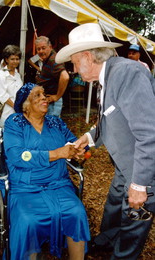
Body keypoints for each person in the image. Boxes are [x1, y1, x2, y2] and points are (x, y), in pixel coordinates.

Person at [55, 23, 155, 259]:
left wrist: (140, 185)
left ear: (87, 57)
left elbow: (149, 133)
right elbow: (110, 117)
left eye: (74, 63)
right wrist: (88, 137)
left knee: (134, 218)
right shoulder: (106, 76)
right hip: (124, 162)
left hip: (142, 167)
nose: (75, 70)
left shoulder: (127, 74)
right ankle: (107, 241)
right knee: (113, 205)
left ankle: (122, 254)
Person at [0, 82, 90, 260]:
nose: (44, 98)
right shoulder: (15, 123)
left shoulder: (56, 122)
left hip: (58, 183)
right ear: (25, 104)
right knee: (29, 221)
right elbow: (18, 156)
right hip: (25, 186)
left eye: (44, 94)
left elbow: (73, 142)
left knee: (76, 213)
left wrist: (79, 151)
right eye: (37, 95)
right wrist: (56, 153)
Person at [0, 45, 23, 156]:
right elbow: (2, 96)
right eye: (12, 59)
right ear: (6, 59)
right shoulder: (1, 75)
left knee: (15, 137)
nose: (15, 61)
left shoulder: (17, 75)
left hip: (17, 112)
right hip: (5, 112)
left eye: (17, 59)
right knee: (2, 138)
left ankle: (10, 161)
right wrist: (16, 106)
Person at [35, 36, 69, 116]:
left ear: (50, 47)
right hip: (47, 101)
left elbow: (65, 77)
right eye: (38, 49)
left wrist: (57, 96)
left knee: (50, 126)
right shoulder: (49, 57)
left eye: (43, 48)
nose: (41, 51)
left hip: (52, 103)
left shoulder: (53, 60)